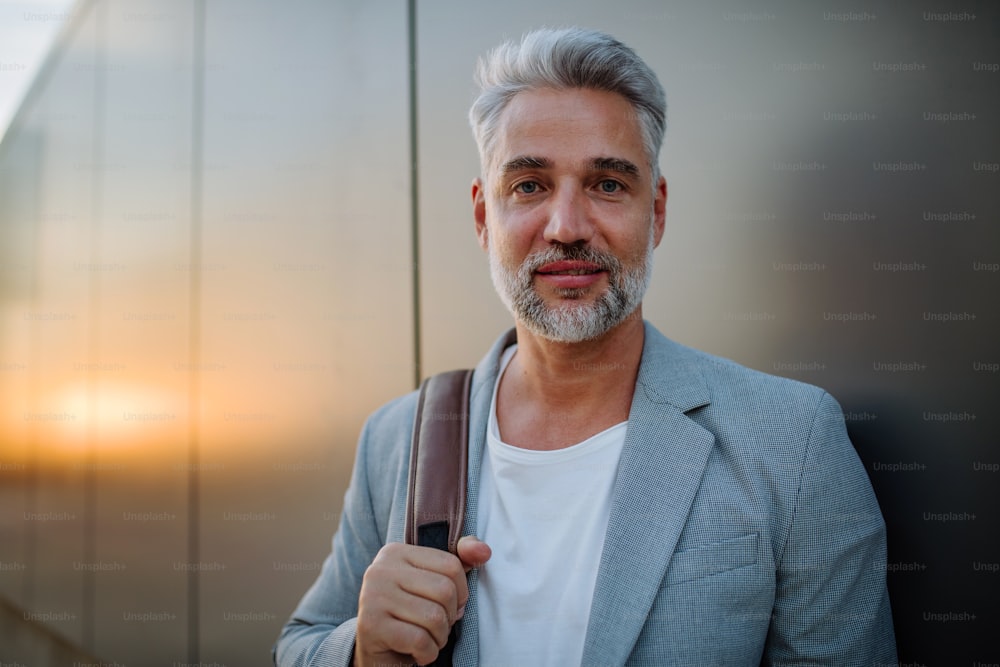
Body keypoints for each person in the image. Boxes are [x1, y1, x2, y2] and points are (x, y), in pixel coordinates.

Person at [274, 27, 897, 667]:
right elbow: (299, 643)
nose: (567, 227)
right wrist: (358, 650)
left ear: (655, 212)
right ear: (483, 217)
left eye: (606, 184)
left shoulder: (792, 442)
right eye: (529, 185)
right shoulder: (396, 439)